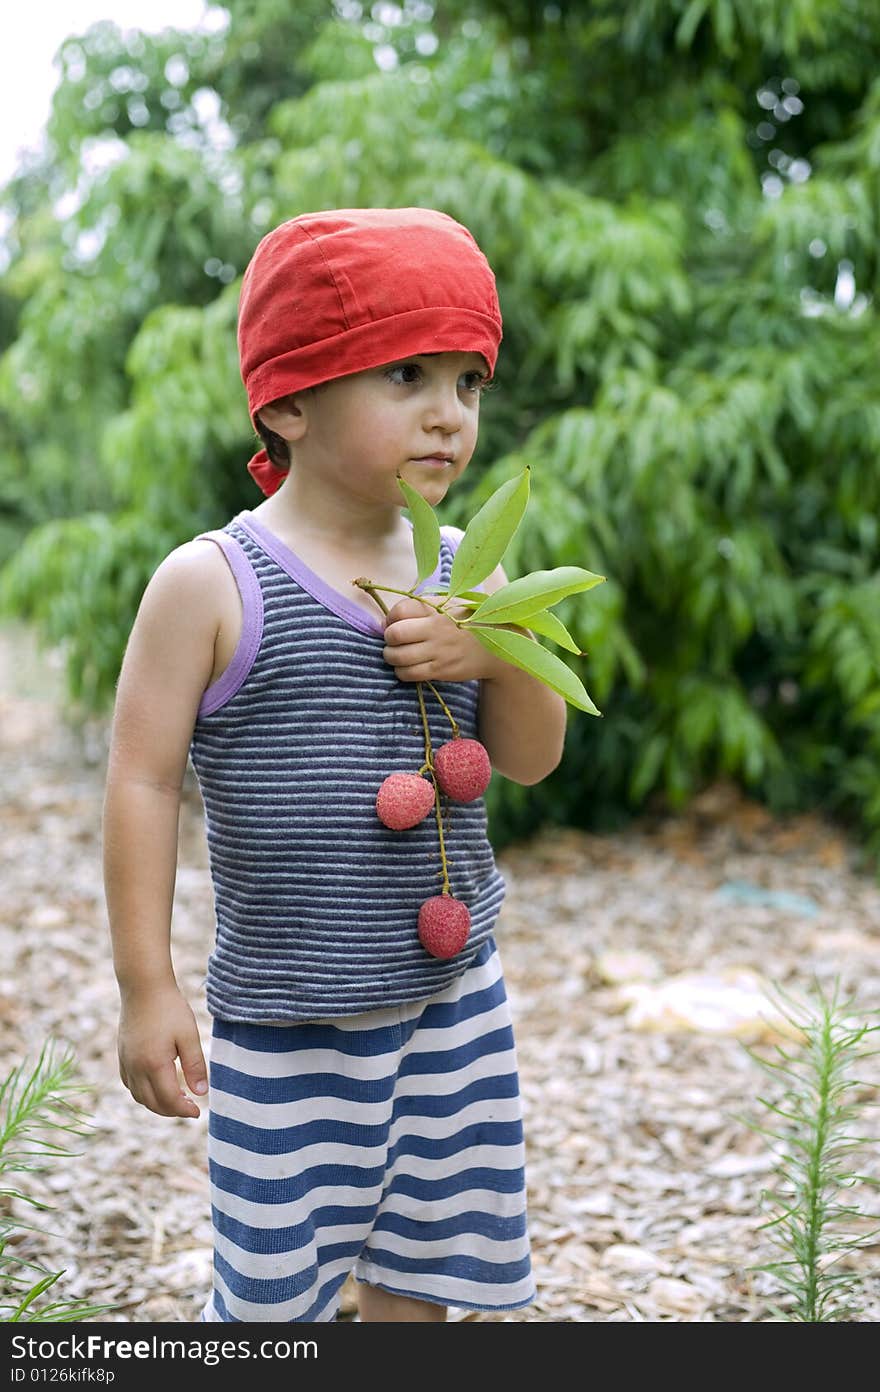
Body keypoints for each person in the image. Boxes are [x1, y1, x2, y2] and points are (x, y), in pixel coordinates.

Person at [103, 206, 567, 1324]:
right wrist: (146, 986)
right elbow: (141, 781)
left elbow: (533, 758)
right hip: (289, 1021)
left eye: (468, 384)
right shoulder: (212, 583)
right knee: (276, 1297)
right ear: (290, 401)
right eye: (408, 375)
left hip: (456, 1002)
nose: (449, 417)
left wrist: (494, 652)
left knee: (425, 1269)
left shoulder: (471, 575)